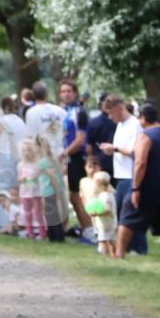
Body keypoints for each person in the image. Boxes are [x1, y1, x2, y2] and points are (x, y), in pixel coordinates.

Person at [116, 104, 160, 262]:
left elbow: (140, 162)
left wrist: (136, 188)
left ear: (143, 118)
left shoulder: (145, 136)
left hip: (148, 186)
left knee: (127, 218)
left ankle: (119, 253)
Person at [99, 96, 147, 255]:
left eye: (111, 113)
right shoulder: (120, 125)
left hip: (131, 174)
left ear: (120, 108)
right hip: (121, 175)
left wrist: (115, 149)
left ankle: (138, 247)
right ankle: (126, 245)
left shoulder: (134, 125)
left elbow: (135, 152)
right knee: (120, 212)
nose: (110, 117)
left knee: (132, 213)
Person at [58, 78, 94, 243]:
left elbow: (80, 139)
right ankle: (87, 229)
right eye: (63, 91)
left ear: (75, 93)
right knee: (74, 196)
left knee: (78, 196)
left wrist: (64, 153)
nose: (66, 94)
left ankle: (89, 231)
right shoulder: (67, 111)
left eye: (69, 91)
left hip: (78, 157)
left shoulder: (79, 112)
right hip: (71, 157)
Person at [0, 95, 28, 230]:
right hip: (20, 158)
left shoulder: (0, 122)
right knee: (16, 190)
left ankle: (2, 222)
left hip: (5, 157)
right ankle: (18, 221)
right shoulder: (21, 121)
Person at [24, 81, 66, 162]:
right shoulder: (60, 111)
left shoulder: (31, 113)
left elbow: (31, 136)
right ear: (47, 94)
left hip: (42, 155)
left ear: (33, 95)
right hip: (61, 153)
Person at [36, 135, 67, 242]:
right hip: (53, 191)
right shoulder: (51, 160)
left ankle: (55, 237)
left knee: (50, 216)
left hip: (49, 191)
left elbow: (52, 177)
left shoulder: (43, 162)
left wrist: (57, 191)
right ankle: (57, 236)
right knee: (55, 215)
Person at [17, 138, 45, 240]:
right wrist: (22, 179)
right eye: (24, 151)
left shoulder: (37, 164)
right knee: (27, 213)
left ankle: (42, 233)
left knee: (38, 213)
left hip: (35, 193)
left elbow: (39, 177)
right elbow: (19, 178)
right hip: (25, 193)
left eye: (29, 150)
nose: (26, 153)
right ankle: (30, 233)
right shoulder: (20, 165)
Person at [85, 93, 117, 176]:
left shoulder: (93, 123)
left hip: (101, 163)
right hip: (112, 163)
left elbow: (89, 147)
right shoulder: (121, 122)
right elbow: (89, 146)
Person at [89, 171, 118, 258]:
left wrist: (96, 214)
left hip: (107, 224)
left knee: (104, 240)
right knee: (110, 240)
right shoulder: (105, 195)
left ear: (99, 184)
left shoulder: (106, 196)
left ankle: (105, 254)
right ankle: (114, 254)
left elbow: (107, 210)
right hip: (106, 223)